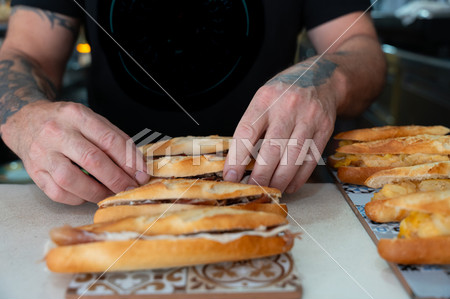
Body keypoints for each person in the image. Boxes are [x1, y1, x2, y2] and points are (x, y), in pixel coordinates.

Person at [0, 0, 386, 205]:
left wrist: (325, 81)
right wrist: (24, 116)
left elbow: (361, 48)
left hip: (276, 191)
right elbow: (24, 52)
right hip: (109, 195)